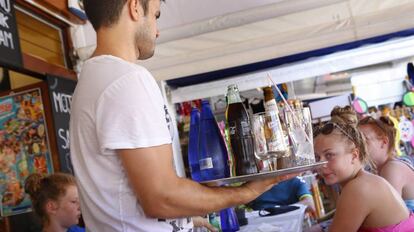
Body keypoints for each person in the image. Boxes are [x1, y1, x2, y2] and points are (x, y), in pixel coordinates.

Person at [69, 1, 287, 231]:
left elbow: (129, 194)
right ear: (134, 7)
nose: (157, 30)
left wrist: (198, 202)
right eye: (156, 15)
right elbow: (161, 197)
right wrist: (246, 192)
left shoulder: (92, 80)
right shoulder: (127, 81)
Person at [311, 106, 413, 232]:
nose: (321, 164)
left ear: (354, 155)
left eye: (329, 155)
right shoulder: (362, 181)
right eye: (317, 157)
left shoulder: (359, 188)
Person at [358, 116, 414, 212]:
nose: (358, 146)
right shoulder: (378, 169)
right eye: (356, 141)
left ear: (384, 142)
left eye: (364, 140)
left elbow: (387, 213)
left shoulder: (392, 168)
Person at [248, 176, 315, 214]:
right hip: (258, 221)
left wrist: (279, 211)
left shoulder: (295, 180)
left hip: (287, 221)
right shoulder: (256, 180)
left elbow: (309, 204)